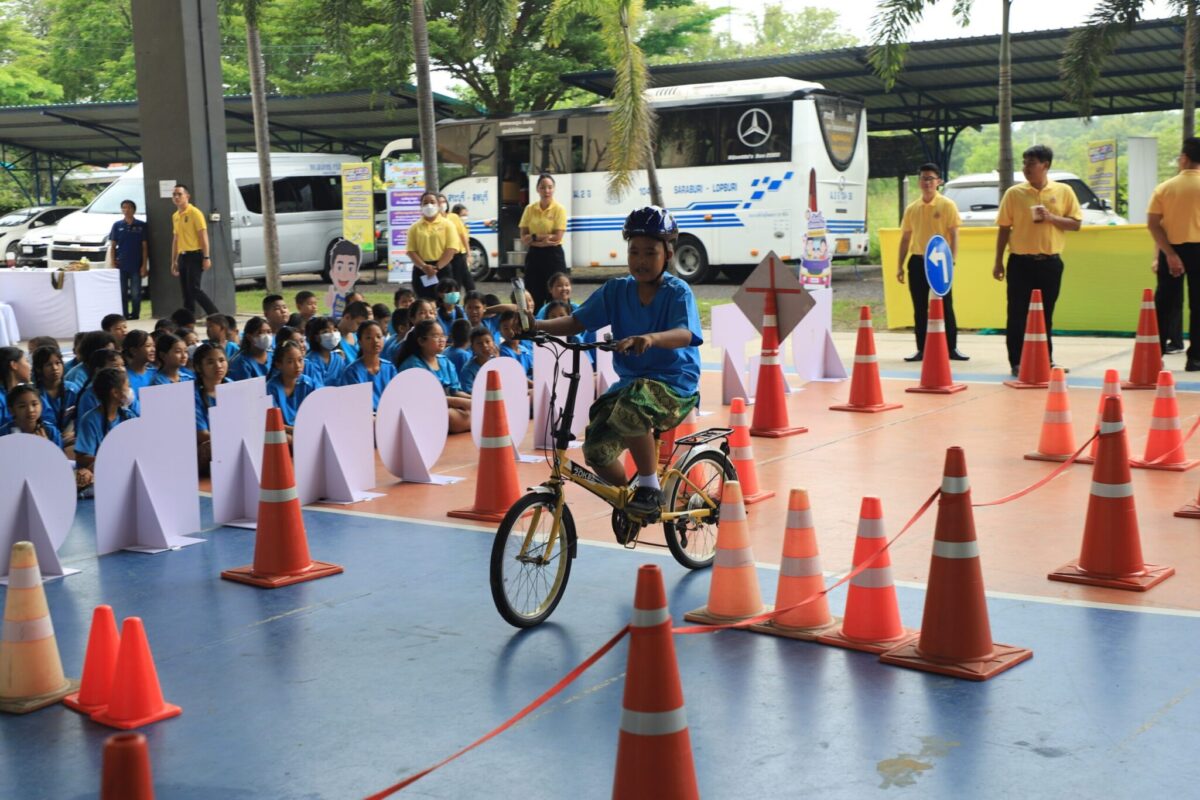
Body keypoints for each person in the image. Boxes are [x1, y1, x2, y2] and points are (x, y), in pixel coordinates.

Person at [524, 206, 701, 516]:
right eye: (634, 252)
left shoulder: (677, 291)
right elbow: (577, 322)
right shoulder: (616, 290)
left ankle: (649, 487)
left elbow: (684, 333)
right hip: (633, 383)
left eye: (650, 252)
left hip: (675, 383)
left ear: (668, 254)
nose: (641, 260)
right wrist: (534, 327)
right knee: (595, 448)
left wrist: (650, 338)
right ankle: (630, 499)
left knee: (632, 408)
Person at [993, 145, 1082, 377]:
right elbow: (1003, 229)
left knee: (1045, 314)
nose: (1026, 168)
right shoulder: (1014, 193)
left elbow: (1076, 224)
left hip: (1050, 262)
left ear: (1045, 165)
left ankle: (1045, 359)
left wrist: (1051, 217)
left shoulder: (1063, 191)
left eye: (1031, 163)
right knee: (1017, 313)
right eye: (1024, 163)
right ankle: (1017, 361)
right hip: (1020, 262)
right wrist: (998, 261)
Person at [896, 162, 968, 362]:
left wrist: (951, 260)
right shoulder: (912, 208)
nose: (926, 182)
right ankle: (922, 348)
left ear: (939, 181)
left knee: (945, 305)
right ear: (919, 182)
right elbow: (905, 238)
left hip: (940, 263)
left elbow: (954, 234)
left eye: (930, 178)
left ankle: (951, 348)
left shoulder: (947, 205)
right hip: (918, 261)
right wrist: (899, 265)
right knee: (919, 307)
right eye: (923, 178)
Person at [1148, 137, 1200, 370]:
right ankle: (1196, 358)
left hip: (1171, 249)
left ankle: (1152, 356)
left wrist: (1169, 254)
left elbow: (1153, 224)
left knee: (1165, 303)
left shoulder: (1165, 188)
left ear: (1185, 158)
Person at [396, 320, 472, 433]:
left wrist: (473, 400)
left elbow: (455, 391)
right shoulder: (413, 365)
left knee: (473, 409)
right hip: (423, 410)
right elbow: (429, 399)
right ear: (421, 341)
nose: (442, 339)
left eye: (443, 335)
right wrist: (462, 402)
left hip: (446, 406)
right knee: (450, 416)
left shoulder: (445, 362)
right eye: (436, 336)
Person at [519, 174, 568, 311]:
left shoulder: (559, 209)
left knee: (557, 294)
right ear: (537, 189)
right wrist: (541, 239)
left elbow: (557, 237)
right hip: (534, 256)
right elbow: (524, 237)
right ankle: (534, 327)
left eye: (550, 187)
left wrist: (533, 238)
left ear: (554, 189)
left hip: (554, 256)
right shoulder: (529, 209)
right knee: (533, 294)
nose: (546, 191)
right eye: (543, 187)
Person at [170, 183, 220, 316]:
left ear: (187, 196)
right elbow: (176, 239)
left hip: (195, 255)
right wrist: (174, 260)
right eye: (174, 195)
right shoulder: (175, 216)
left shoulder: (195, 213)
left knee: (194, 289)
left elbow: (203, 236)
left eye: (179, 194)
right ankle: (188, 320)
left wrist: (206, 257)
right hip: (183, 256)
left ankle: (215, 314)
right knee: (186, 291)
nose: (176, 197)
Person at [75, 367, 137, 471]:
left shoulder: (128, 416)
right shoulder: (89, 420)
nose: (131, 390)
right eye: (128, 386)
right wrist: (111, 461)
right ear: (115, 393)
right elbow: (81, 458)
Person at [407, 191, 457, 300]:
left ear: (438, 205)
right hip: (422, 269)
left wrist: (437, 267)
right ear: (421, 206)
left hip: (442, 268)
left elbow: (451, 249)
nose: (429, 205)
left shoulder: (448, 225)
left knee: (447, 301)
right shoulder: (414, 227)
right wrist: (424, 267)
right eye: (425, 202)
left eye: (432, 202)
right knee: (424, 301)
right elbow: (411, 251)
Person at [337, 319, 396, 412]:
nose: (375, 341)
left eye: (379, 336)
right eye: (369, 338)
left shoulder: (390, 368)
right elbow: (350, 406)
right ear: (360, 342)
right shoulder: (352, 372)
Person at [107, 199, 149, 320]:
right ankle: (124, 315)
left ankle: (135, 315)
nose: (126, 210)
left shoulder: (141, 225)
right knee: (122, 292)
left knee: (136, 293)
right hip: (121, 264)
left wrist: (144, 265)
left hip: (136, 264)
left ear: (134, 210)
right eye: (124, 208)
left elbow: (144, 246)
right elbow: (113, 245)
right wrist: (113, 260)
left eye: (129, 207)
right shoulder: (117, 225)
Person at [266, 341, 318, 437]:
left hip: (306, 431)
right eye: (290, 361)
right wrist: (298, 432)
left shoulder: (308, 383)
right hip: (282, 432)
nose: (298, 366)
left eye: (300, 360)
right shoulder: (271, 388)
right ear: (279, 364)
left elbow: (316, 413)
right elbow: (272, 423)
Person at [192, 343, 230, 469]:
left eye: (221, 360)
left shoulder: (232, 385)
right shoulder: (193, 394)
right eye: (210, 362)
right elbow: (202, 434)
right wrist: (232, 438)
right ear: (198, 367)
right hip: (208, 444)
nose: (218, 366)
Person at [33, 345, 76, 440]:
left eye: (58, 363)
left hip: (70, 437)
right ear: (39, 368)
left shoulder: (73, 389)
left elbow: (80, 415)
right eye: (49, 365)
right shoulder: (34, 394)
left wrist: (73, 432)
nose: (55, 368)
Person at [304, 316, 347, 388]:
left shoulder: (338, 359)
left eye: (335, 330)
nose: (332, 334)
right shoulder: (310, 362)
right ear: (316, 337)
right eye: (326, 332)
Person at [227, 317, 272, 381]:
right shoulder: (241, 362)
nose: (266, 336)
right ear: (249, 337)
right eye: (260, 333)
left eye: (269, 332)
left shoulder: (273, 356)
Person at [445, 199, 474, 292]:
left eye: (466, 215)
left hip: (462, 254)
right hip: (456, 254)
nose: (465, 217)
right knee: (458, 281)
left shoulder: (464, 225)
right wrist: (469, 254)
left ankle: (471, 298)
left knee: (468, 282)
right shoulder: (453, 218)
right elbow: (462, 237)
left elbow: (465, 239)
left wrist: (468, 254)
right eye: (463, 215)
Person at [459, 326, 498, 395]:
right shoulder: (468, 370)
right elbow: (469, 393)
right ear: (472, 348)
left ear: (494, 343)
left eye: (488, 341)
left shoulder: (497, 362)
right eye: (479, 343)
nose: (485, 346)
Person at [121, 330, 158, 401]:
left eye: (154, 346)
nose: (153, 349)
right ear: (133, 351)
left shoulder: (156, 373)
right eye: (148, 346)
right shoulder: (123, 376)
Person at [0, 347, 32, 427]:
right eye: (26, 361)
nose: (30, 366)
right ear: (14, 365)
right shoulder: (1, 399)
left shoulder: (20, 392)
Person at [497, 310, 534, 378]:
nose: (511, 331)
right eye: (506, 328)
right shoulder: (502, 351)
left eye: (514, 327)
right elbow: (514, 376)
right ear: (500, 332)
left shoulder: (525, 351)